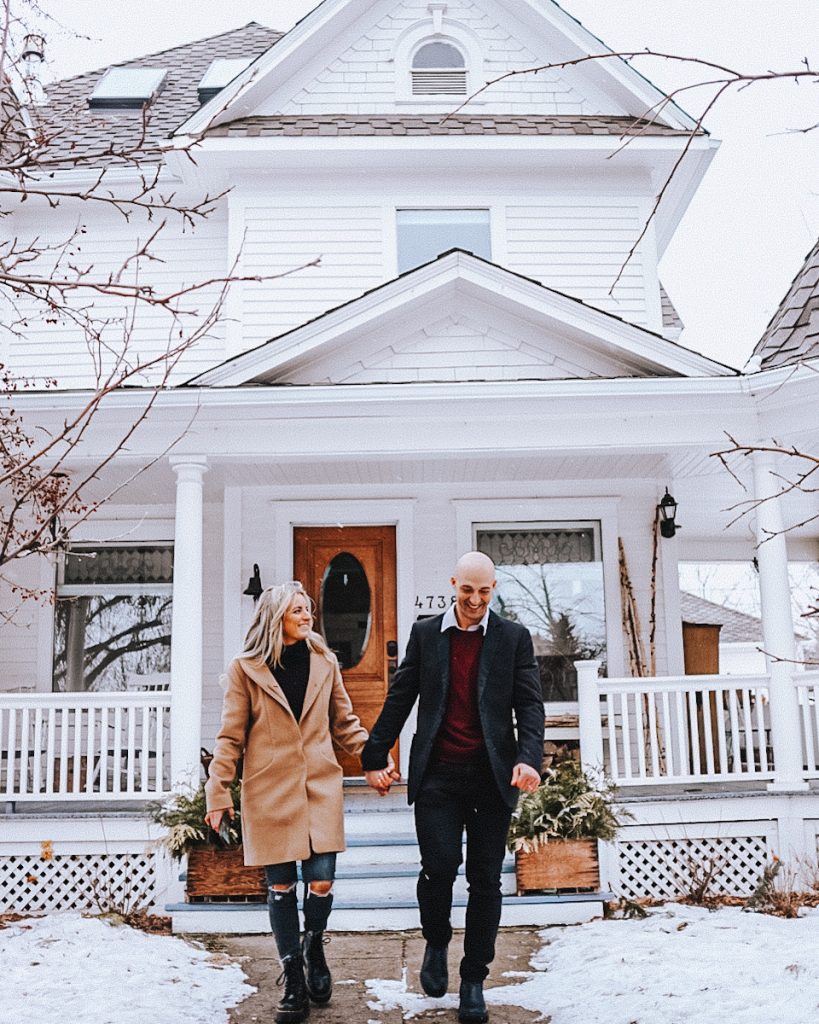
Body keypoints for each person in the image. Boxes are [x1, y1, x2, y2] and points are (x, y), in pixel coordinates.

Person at [362, 551, 544, 1024]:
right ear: (453, 585)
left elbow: (530, 706)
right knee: (439, 867)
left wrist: (528, 759)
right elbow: (401, 695)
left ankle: (474, 979)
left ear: (494, 589)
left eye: (485, 592)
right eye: (467, 590)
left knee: (485, 880)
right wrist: (374, 755)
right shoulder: (427, 634)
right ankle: (437, 939)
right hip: (438, 775)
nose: (476, 600)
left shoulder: (513, 639)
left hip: (490, 777)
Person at [204, 581, 377, 1024]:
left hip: (319, 785)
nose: (308, 616)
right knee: (281, 886)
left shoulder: (325, 661)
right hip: (270, 791)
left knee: (321, 881)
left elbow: (345, 722)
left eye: (309, 610)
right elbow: (230, 737)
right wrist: (218, 791)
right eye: (298, 610)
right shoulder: (247, 669)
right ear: (275, 616)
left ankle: (313, 944)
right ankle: (293, 976)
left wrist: (374, 757)